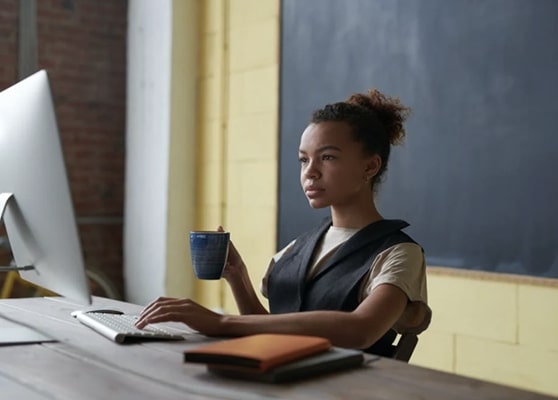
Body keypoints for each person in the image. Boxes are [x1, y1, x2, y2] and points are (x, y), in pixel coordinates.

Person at [136, 89, 431, 357]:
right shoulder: (298, 247)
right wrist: (239, 278)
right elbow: (271, 329)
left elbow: (361, 329)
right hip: (280, 380)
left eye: (327, 157)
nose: (310, 172)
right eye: (304, 160)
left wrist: (222, 322)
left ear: (370, 166)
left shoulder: (399, 253)